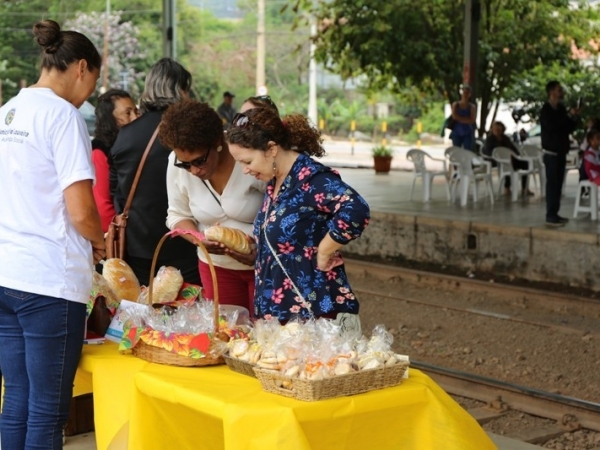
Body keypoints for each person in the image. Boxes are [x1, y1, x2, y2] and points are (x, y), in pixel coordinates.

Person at [0, 20, 104, 450]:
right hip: (49, 281)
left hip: (7, 273)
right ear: (81, 67)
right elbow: (81, 210)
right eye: (93, 82)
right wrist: (100, 241)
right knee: (46, 410)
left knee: (16, 401)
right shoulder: (64, 116)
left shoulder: (8, 110)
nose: (90, 94)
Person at [227, 107, 370, 324]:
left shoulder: (310, 179)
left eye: (247, 162)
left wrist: (325, 249)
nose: (244, 170)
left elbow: (356, 209)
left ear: (271, 149)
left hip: (312, 313)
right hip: (279, 312)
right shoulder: (276, 180)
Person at [159, 99, 265, 311]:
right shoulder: (175, 162)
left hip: (265, 269)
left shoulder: (249, 158)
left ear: (218, 141)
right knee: (228, 336)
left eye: (199, 161)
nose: (193, 171)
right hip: (216, 269)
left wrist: (261, 250)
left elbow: (286, 210)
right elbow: (177, 215)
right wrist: (198, 240)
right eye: (185, 164)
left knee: (267, 336)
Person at [110, 58, 200, 286]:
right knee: (190, 315)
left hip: (138, 246)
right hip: (186, 242)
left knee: (143, 315)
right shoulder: (190, 132)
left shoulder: (126, 134)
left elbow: (118, 192)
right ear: (180, 89)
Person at [92, 89, 139, 232]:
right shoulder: (100, 152)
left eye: (136, 112)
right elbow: (103, 205)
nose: (135, 118)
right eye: (127, 113)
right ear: (110, 119)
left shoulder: (131, 146)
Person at [540, 80, 580, 226]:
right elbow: (552, 126)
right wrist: (566, 116)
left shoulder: (561, 109)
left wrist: (573, 117)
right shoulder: (546, 110)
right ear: (551, 92)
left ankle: (555, 213)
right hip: (551, 153)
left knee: (558, 185)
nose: (561, 92)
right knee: (552, 185)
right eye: (558, 90)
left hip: (561, 151)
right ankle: (550, 215)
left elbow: (567, 127)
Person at [482, 121, 533, 197]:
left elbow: (514, 149)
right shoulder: (490, 139)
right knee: (506, 165)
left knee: (525, 163)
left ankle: (524, 188)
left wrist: (517, 156)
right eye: (495, 129)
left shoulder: (505, 138)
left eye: (499, 130)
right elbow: (488, 152)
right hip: (497, 160)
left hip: (510, 158)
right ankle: (507, 187)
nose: (497, 131)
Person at [450, 84, 477, 151]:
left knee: (468, 151)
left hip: (467, 132)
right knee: (456, 150)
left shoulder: (472, 106)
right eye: (464, 92)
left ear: (470, 94)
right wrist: (466, 119)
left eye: (467, 93)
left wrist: (460, 118)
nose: (465, 95)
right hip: (456, 131)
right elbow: (454, 116)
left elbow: (472, 120)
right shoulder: (456, 105)